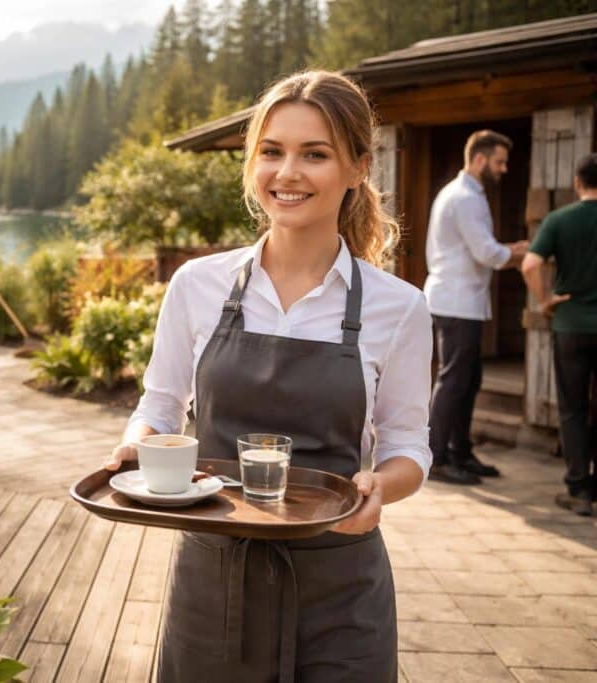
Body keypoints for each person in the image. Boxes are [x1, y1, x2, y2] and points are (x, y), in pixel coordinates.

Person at [105, 71, 432, 682]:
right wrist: (140, 442)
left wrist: (381, 485)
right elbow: (160, 404)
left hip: (341, 585)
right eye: (272, 152)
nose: (288, 173)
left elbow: (409, 445)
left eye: (316, 154)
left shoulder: (400, 308)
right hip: (213, 576)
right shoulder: (196, 286)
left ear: (359, 167)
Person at [423, 130, 529, 485]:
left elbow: (483, 250)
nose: (504, 168)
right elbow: (488, 253)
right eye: (500, 161)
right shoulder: (465, 198)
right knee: (454, 380)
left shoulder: (467, 194)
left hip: (464, 301)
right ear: (480, 159)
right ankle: (436, 457)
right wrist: (524, 252)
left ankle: (461, 452)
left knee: (469, 380)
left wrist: (508, 250)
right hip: (456, 301)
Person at [522, 153, 597, 516]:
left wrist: (546, 300)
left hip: (571, 326)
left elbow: (531, 263)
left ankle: (579, 489)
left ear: (578, 183)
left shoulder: (560, 219)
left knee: (572, 408)